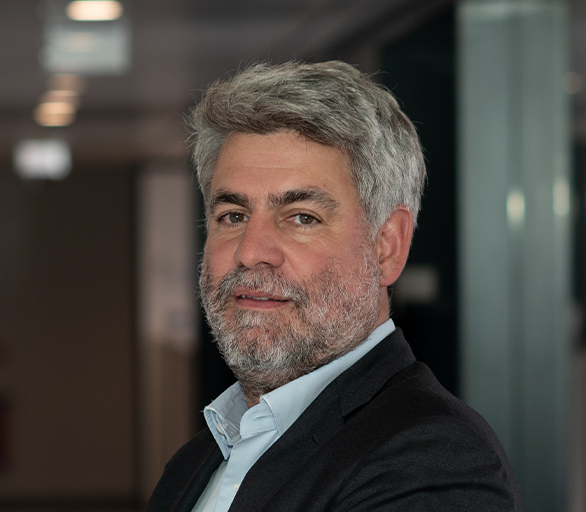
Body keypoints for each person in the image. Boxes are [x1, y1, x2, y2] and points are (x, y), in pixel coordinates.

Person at [146, 61, 524, 512]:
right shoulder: (192, 466)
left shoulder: (434, 462)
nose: (250, 251)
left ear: (386, 246)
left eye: (302, 218)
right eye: (233, 216)